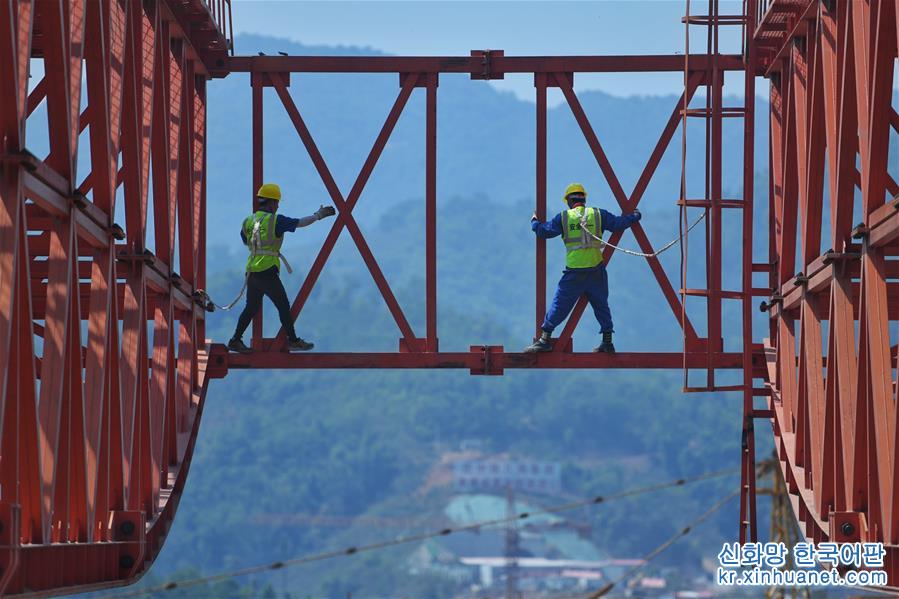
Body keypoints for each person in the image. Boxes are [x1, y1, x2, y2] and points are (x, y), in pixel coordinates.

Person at [525, 182, 641, 353]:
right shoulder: (598, 214)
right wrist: (635, 216)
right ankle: (607, 342)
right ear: (584, 199)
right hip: (596, 270)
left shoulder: (564, 217)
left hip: (574, 272)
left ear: (568, 201)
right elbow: (618, 224)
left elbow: (544, 232)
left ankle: (545, 339)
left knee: (560, 304)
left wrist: (534, 222)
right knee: (601, 304)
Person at [227, 183, 336, 353]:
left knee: (251, 307)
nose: (277, 206)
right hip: (267, 270)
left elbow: (244, 240)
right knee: (283, 306)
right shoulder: (276, 220)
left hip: (252, 272)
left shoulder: (248, 221)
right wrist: (318, 215)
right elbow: (300, 223)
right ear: (271, 203)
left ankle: (235, 340)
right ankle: (292, 340)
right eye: (277, 202)